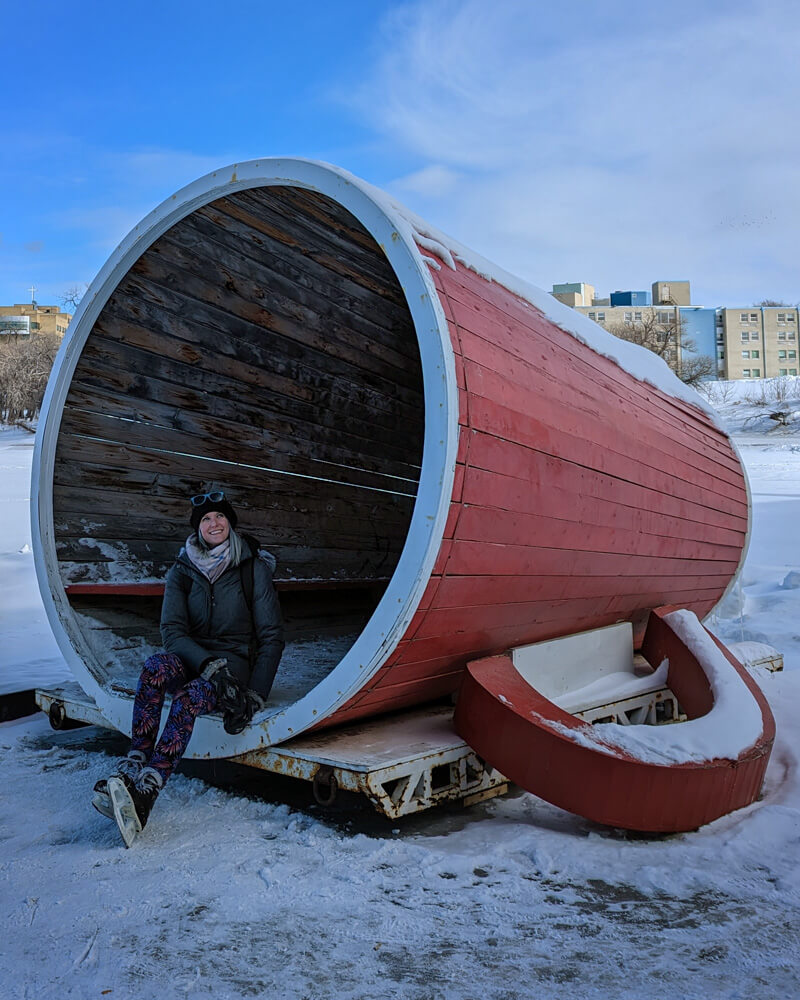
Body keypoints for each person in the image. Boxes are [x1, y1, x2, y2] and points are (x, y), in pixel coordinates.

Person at [92, 491, 284, 847]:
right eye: (206, 519)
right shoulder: (183, 571)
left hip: (233, 670)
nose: (214, 523)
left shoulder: (252, 568)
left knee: (190, 696)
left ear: (231, 523)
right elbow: (172, 632)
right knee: (154, 669)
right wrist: (205, 662)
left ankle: (149, 788)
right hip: (197, 660)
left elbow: (272, 636)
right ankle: (133, 763)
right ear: (198, 529)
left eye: (220, 517)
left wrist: (255, 694)